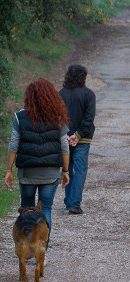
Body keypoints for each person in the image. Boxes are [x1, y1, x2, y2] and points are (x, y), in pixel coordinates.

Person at [5, 78, 70, 246]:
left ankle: (25, 246)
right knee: (46, 208)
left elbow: (13, 145)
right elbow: (65, 147)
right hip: (50, 173)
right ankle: (42, 249)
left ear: (29, 97)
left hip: (27, 173)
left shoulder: (20, 117)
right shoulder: (58, 118)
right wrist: (65, 171)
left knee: (27, 208)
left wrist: (9, 170)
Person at [59, 65, 96, 214]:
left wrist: (66, 135)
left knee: (68, 169)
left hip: (65, 138)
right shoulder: (89, 94)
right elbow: (89, 118)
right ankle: (74, 203)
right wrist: (78, 135)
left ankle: (69, 201)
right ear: (83, 77)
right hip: (83, 138)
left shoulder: (60, 94)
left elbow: (57, 118)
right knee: (80, 170)